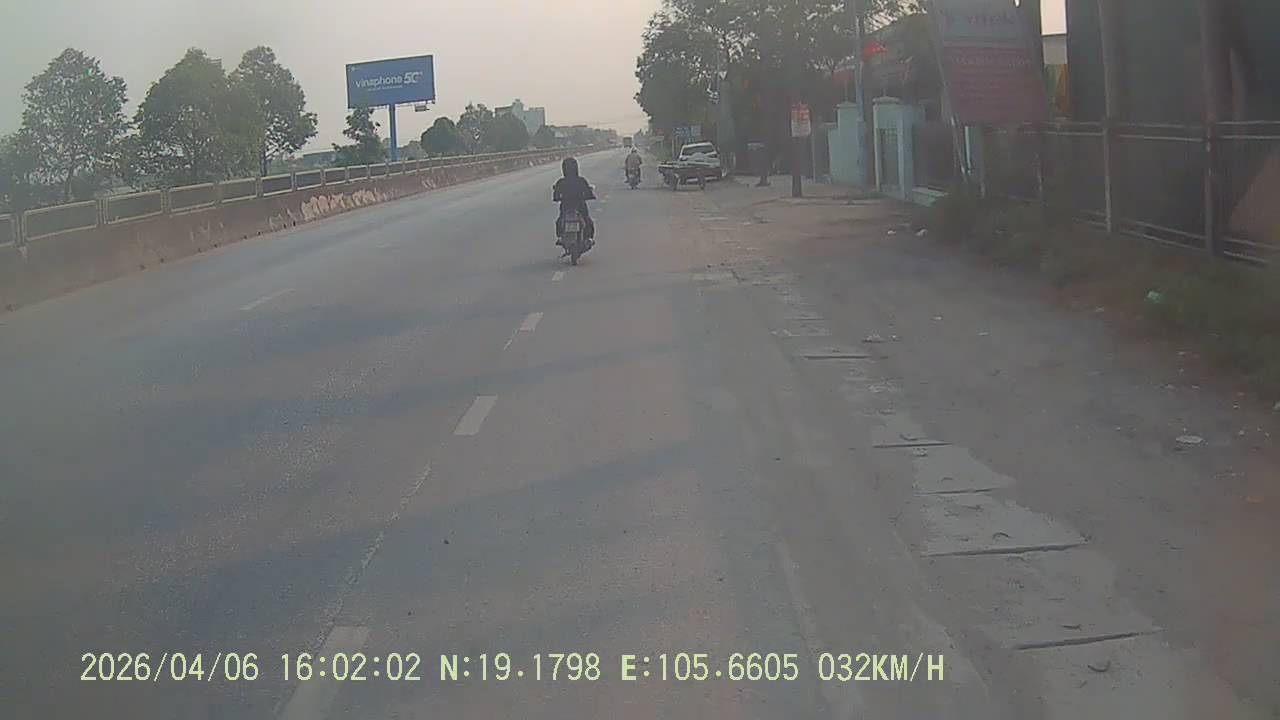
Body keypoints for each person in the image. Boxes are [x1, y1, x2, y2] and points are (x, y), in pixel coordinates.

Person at [553, 157, 596, 246]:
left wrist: (557, 198)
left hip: (566, 206)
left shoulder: (561, 182)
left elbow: (556, 195)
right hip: (579, 205)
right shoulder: (581, 181)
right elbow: (588, 193)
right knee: (587, 220)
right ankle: (589, 238)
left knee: (560, 220)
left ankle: (561, 237)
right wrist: (590, 196)